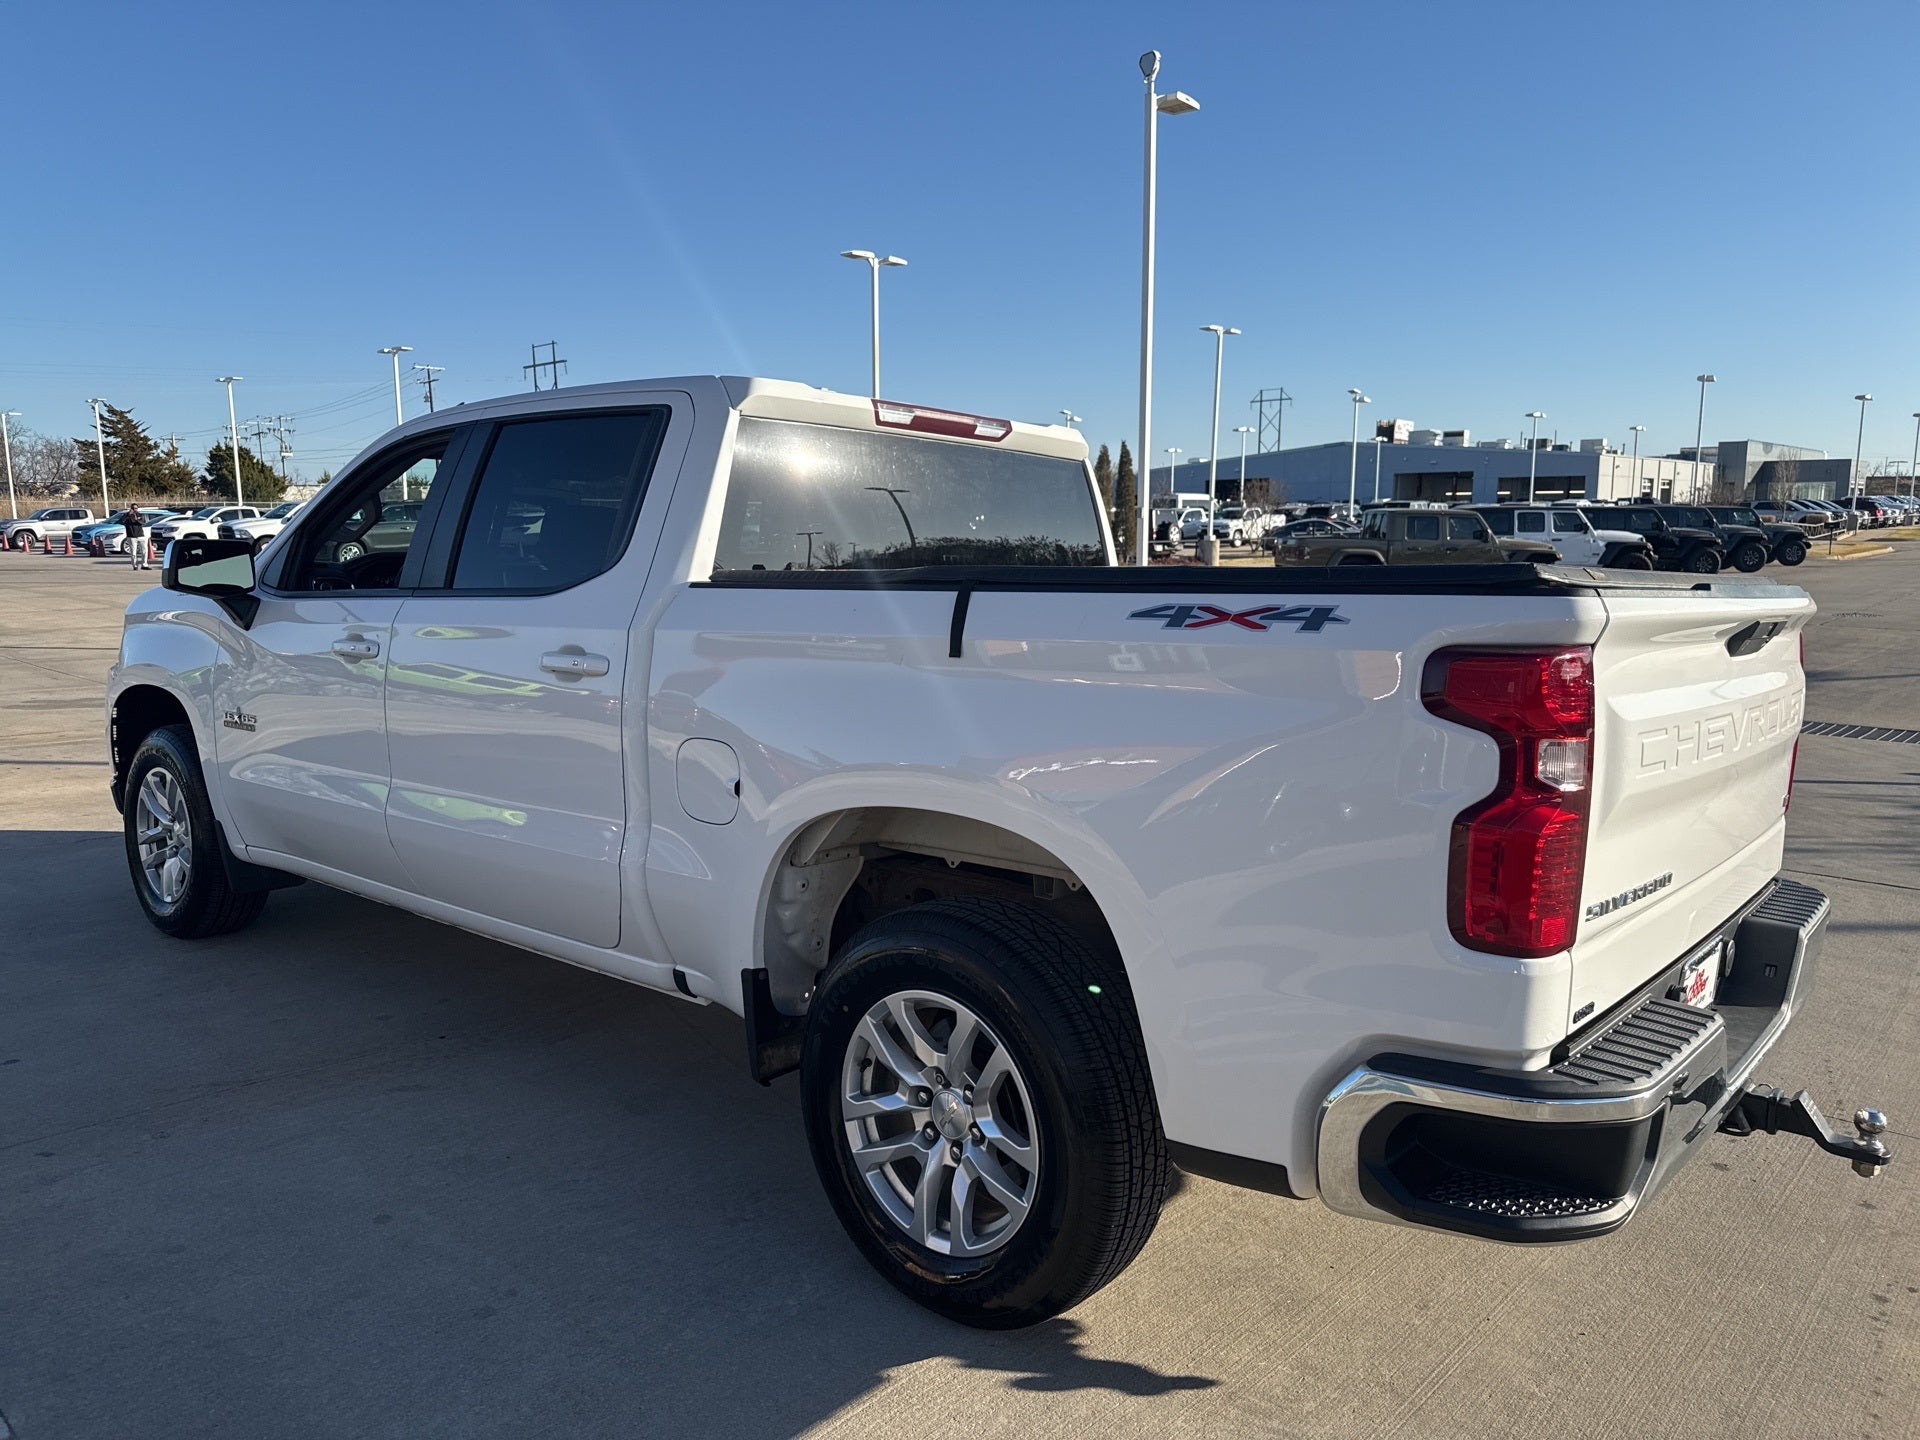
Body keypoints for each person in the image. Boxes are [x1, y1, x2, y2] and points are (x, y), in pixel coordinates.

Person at [125, 505, 151, 570]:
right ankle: (135, 565)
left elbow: (143, 522)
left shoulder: (140, 515)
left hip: (141, 535)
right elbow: (124, 521)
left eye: (136, 508)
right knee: (133, 552)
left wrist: (137, 519)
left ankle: (144, 565)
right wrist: (129, 514)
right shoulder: (126, 516)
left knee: (144, 550)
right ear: (131, 509)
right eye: (133, 508)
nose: (135, 510)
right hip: (131, 536)